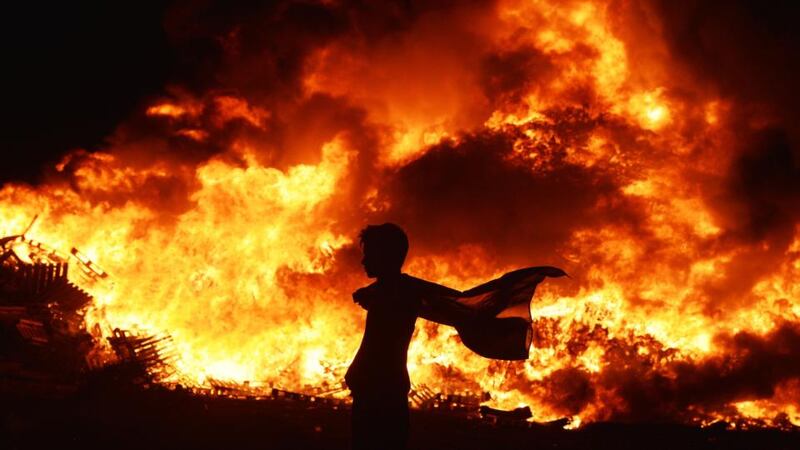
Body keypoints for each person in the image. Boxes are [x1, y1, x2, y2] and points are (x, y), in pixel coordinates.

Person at [345, 223, 566, 449]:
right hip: (381, 388)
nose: (364, 261)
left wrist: (523, 280)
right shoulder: (400, 289)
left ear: (386, 256)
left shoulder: (396, 291)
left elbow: (460, 303)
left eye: (369, 254)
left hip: (380, 391)